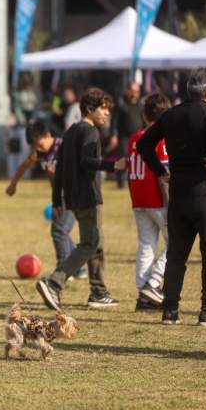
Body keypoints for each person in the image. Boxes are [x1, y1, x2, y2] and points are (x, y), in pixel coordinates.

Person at [35, 87, 127, 310]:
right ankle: (54, 282)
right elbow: (87, 161)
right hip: (88, 197)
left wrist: (57, 200)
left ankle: (98, 292)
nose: (106, 114)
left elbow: (59, 170)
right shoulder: (90, 131)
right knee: (91, 243)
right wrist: (112, 166)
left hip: (73, 198)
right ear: (89, 109)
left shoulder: (70, 132)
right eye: (103, 109)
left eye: (108, 110)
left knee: (98, 242)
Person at [138, 68, 206, 326]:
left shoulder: (170, 115)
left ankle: (170, 311)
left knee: (176, 255)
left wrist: (161, 171)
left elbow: (143, 144)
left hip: (178, 192)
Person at [5, 120, 86, 280]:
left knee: (59, 231)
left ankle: (63, 270)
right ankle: (77, 268)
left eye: (39, 143)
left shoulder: (64, 147)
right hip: (59, 196)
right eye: (34, 145)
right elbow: (23, 166)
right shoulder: (38, 153)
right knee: (62, 231)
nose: (38, 148)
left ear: (48, 135)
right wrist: (13, 185)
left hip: (73, 193)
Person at [127, 93, 171, 312]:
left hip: (139, 198)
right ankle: (153, 283)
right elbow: (164, 174)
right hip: (157, 198)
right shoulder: (162, 139)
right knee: (175, 243)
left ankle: (143, 295)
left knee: (146, 245)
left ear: (144, 116)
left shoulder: (133, 138)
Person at [111, 82, 144, 188]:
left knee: (137, 159)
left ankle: (135, 181)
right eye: (132, 91)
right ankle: (120, 182)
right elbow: (114, 122)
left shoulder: (141, 106)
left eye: (136, 91)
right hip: (124, 137)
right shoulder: (121, 105)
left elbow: (144, 121)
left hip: (138, 137)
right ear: (128, 91)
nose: (134, 93)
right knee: (124, 158)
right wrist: (113, 135)